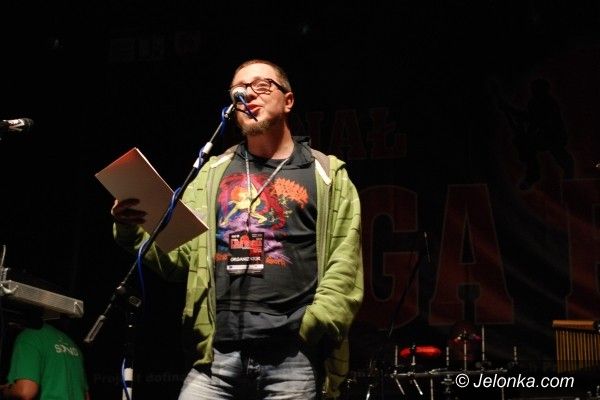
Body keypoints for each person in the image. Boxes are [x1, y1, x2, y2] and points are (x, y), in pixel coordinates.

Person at [110, 59, 364, 399]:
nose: (248, 95)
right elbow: (180, 260)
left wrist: (310, 326)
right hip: (218, 355)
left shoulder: (327, 174)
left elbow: (345, 265)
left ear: (288, 101)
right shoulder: (211, 173)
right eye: (239, 90)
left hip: (291, 355)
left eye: (261, 86)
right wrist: (131, 228)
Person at [0, 311, 90, 400]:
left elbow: (25, 391)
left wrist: (5, 391)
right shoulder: (71, 343)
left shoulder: (28, 337)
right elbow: (86, 396)